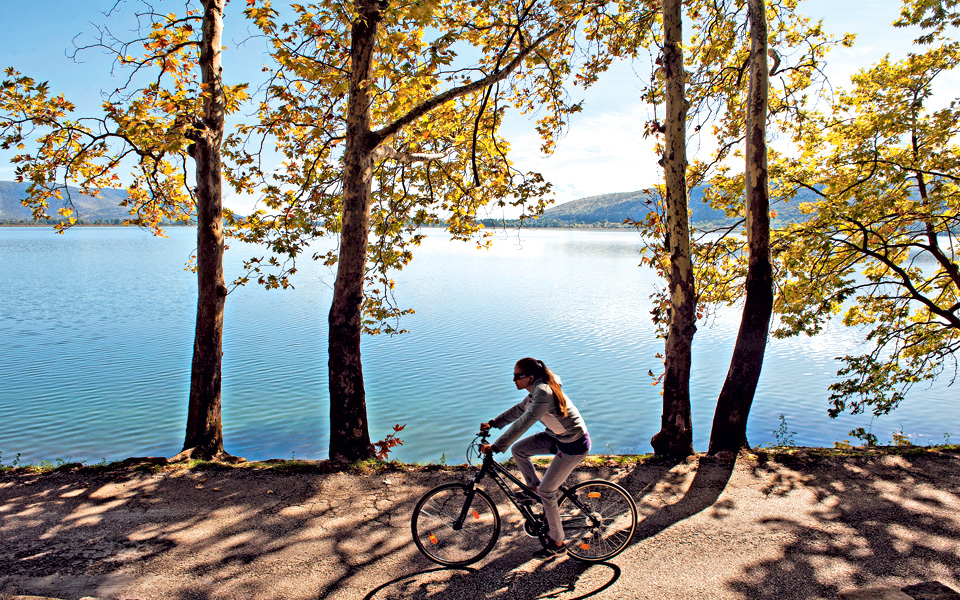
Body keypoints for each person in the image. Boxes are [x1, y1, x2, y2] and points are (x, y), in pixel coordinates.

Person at [479, 357, 590, 560]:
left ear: (530, 377)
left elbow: (524, 422)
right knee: (519, 450)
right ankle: (532, 489)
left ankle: (557, 543)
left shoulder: (543, 393)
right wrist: (493, 423)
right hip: (557, 437)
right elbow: (520, 410)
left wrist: (496, 446)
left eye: (517, 376)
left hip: (573, 444)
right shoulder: (536, 391)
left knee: (549, 491)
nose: (513, 380)